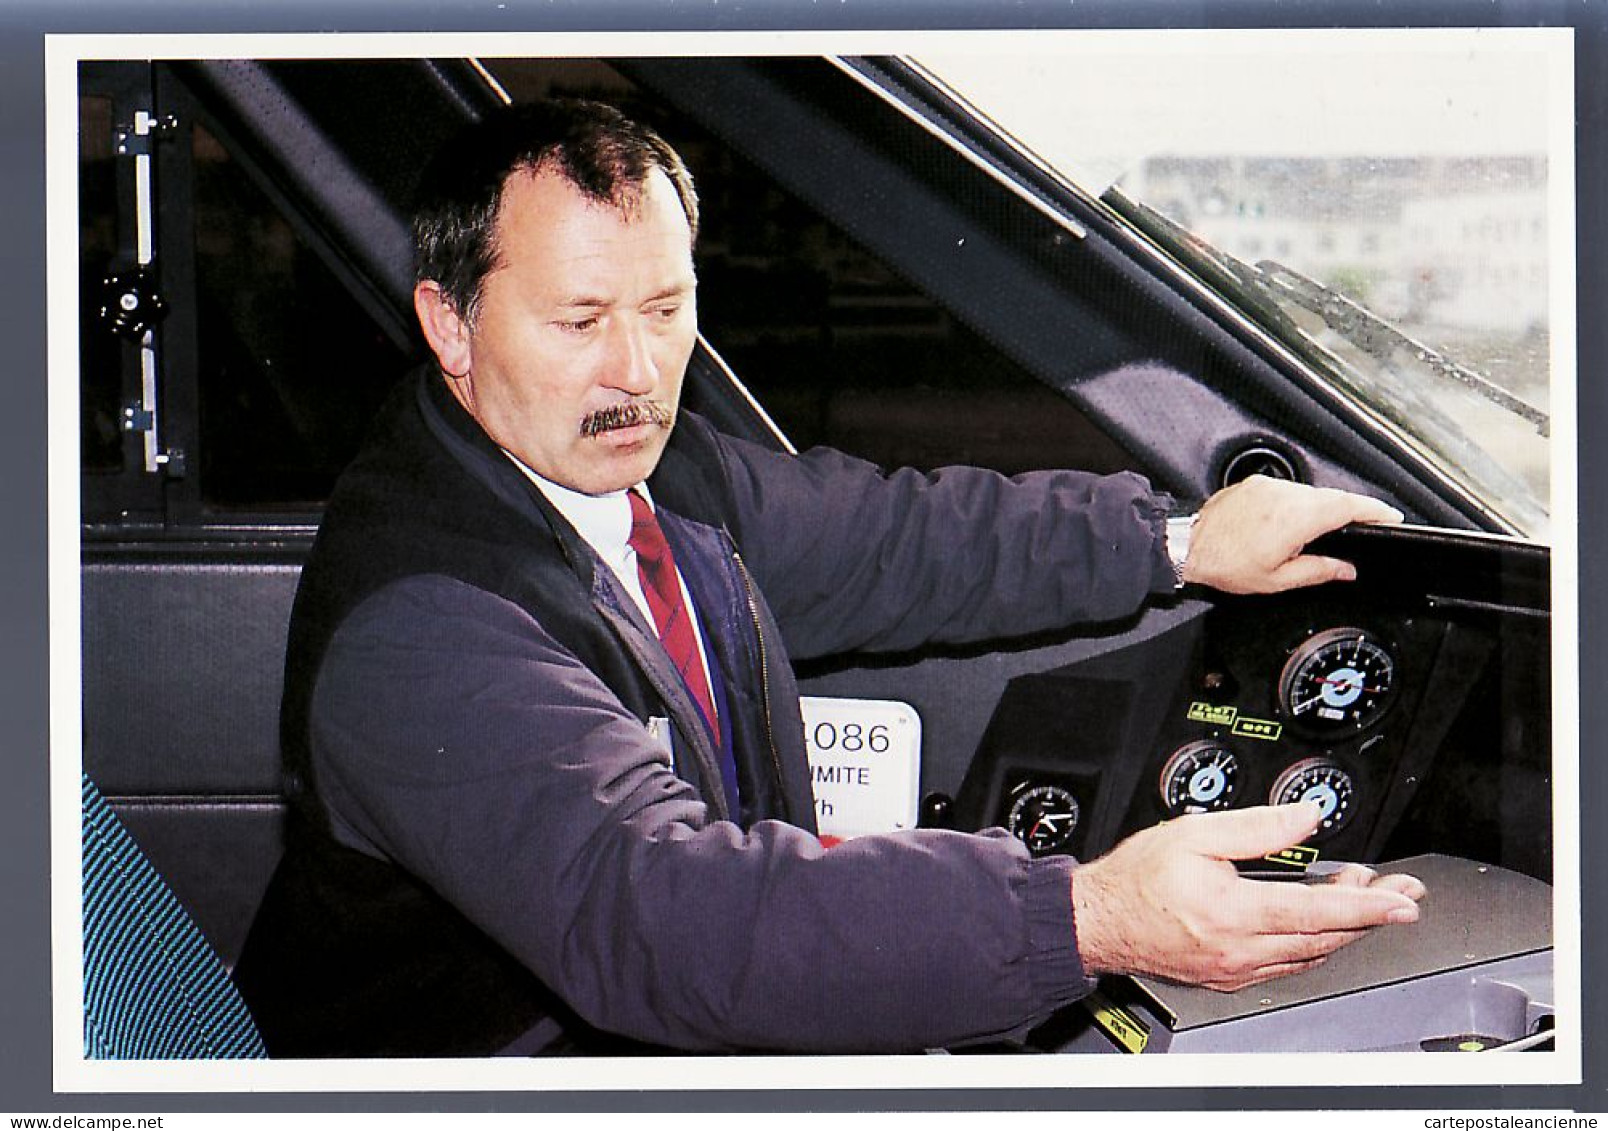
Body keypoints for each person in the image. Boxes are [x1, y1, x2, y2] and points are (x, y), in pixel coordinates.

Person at [232, 98, 1424, 1058]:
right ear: (449, 326)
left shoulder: (648, 474)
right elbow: (668, 924)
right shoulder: (426, 620)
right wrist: (1086, 917)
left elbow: (898, 539)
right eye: (580, 318)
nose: (638, 370)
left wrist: (1178, 542)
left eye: (665, 305)